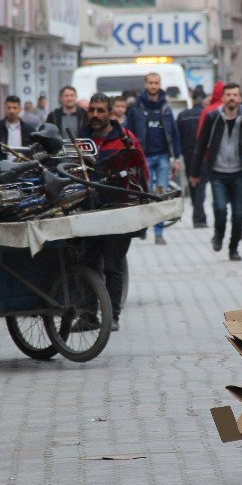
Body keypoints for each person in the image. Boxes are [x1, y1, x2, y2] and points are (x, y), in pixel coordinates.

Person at [82, 94, 148, 331]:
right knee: (88, 264)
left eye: (101, 110)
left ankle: (112, 317)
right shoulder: (82, 140)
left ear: (110, 113)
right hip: (87, 213)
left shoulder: (125, 139)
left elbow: (141, 171)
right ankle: (88, 316)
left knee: (112, 265)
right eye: (92, 110)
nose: (96, 115)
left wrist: (141, 206)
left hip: (119, 213)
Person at [190, 83, 242, 261]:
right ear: (222, 98)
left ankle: (233, 248)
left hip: (238, 173)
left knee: (238, 214)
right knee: (220, 209)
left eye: (235, 95)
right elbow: (200, 145)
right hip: (217, 172)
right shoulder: (213, 117)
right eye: (228, 95)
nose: (231, 98)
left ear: (240, 98)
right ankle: (218, 234)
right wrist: (195, 173)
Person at [125, 73, 182, 245]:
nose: (153, 86)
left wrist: (176, 158)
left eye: (156, 83)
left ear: (159, 84)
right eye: (150, 83)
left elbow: (174, 132)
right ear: (145, 84)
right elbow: (128, 131)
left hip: (163, 156)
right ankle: (143, 227)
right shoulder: (136, 106)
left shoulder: (165, 106)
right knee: (144, 194)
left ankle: (159, 232)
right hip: (144, 157)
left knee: (160, 195)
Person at [176, 88, 208, 228]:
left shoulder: (183, 116)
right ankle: (199, 217)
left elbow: (177, 136)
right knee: (201, 184)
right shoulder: (208, 114)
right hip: (205, 155)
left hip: (188, 154)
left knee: (193, 183)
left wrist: (178, 155)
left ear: (193, 99)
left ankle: (198, 215)